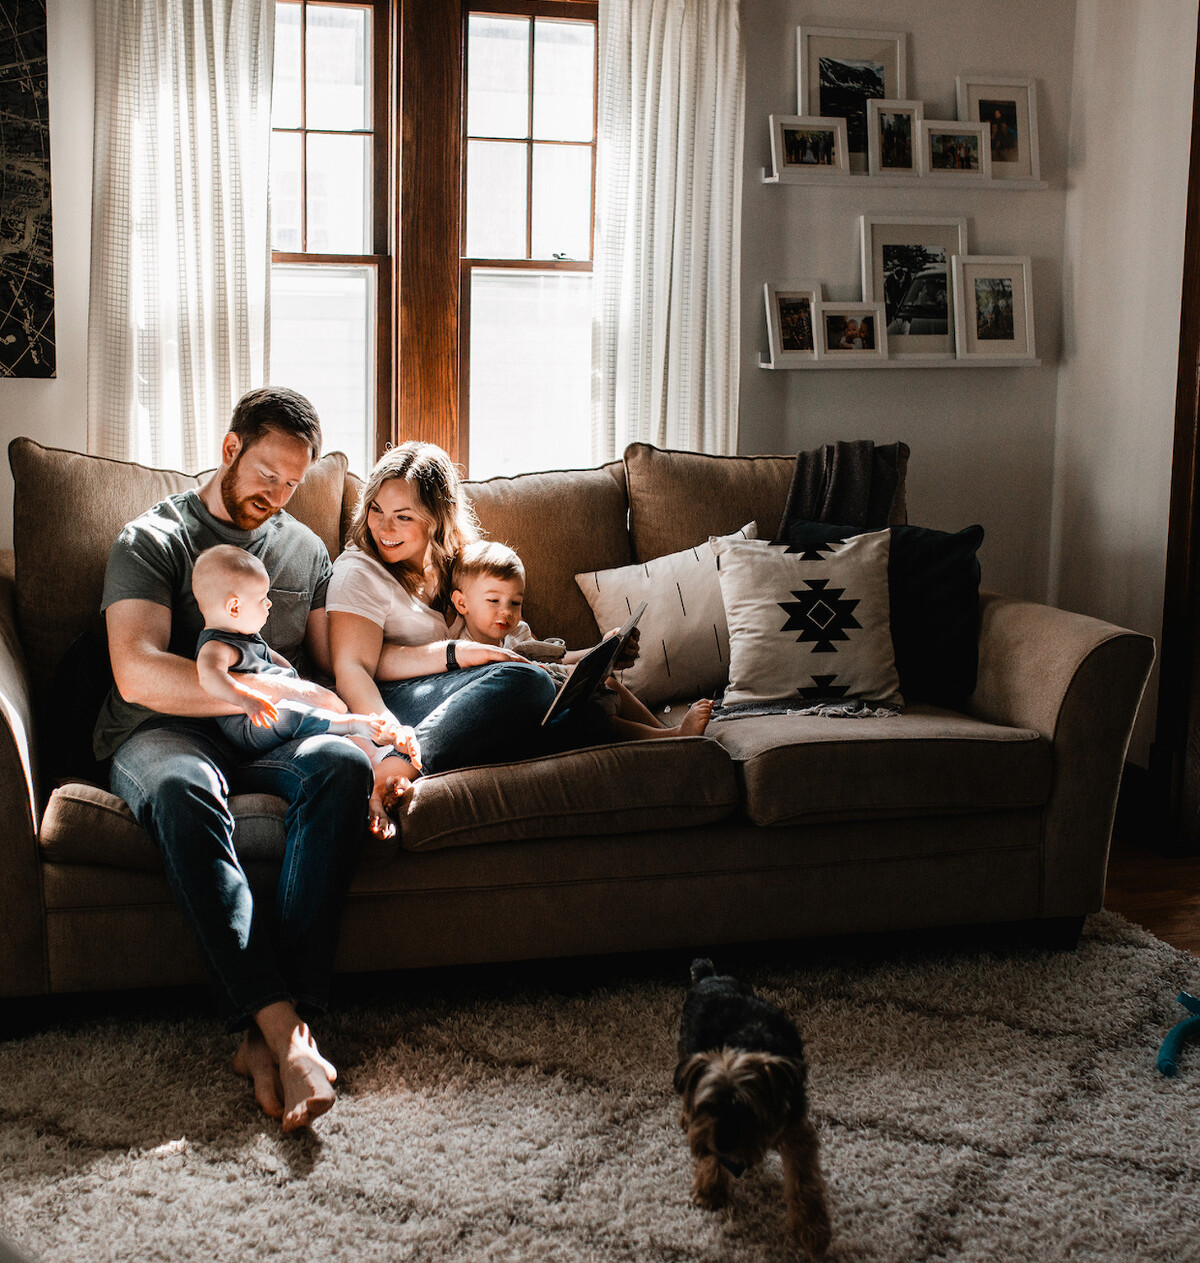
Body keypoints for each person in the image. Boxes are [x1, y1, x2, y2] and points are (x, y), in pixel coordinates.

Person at [97, 386, 372, 1133]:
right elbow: (138, 670)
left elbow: (325, 666)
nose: (279, 495)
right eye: (267, 474)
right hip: (161, 733)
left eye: (293, 482)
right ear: (229, 450)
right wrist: (253, 692)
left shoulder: (304, 549)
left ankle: (266, 1034)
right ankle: (290, 1034)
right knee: (186, 787)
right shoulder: (152, 539)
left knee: (343, 767)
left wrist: (379, 726)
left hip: (266, 737)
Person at [326, 442, 627, 808]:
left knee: (587, 721)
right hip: (397, 702)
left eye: (403, 516)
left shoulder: (460, 564)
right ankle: (394, 772)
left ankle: (456, 753)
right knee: (525, 682)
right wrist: (392, 737)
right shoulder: (359, 571)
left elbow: (515, 639)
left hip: (469, 700)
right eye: (376, 509)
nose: (384, 527)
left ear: (437, 518)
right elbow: (353, 668)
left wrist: (599, 655)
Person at [191, 543, 420, 838]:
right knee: (290, 712)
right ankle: (355, 724)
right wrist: (246, 700)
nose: (269, 605)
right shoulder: (215, 646)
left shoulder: (248, 638)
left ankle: (377, 783)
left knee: (351, 746)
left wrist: (301, 685)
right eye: (263, 599)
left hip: (274, 718)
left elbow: (280, 666)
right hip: (252, 724)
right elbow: (208, 678)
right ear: (234, 607)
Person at [447, 540, 714, 740]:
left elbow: (561, 657)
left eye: (515, 603)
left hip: (558, 694)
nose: (506, 611)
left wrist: (604, 648)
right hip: (528, 716)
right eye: (493, 601)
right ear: (462, 603)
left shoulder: (517, 633)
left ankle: (668, 731)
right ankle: (666, 739)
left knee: (606, 679)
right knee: (591, 718)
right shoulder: (463, 647)